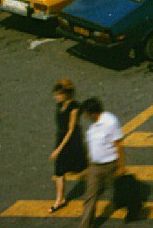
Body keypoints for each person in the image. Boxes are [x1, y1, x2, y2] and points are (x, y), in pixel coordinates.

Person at [78, 97, 124, 228]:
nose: (85, 117)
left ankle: (128, 202)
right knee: (90, 197)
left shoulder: (110, 122)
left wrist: (121, 166)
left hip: (110, 164)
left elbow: (118, 144)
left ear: (92, 113)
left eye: (86, 114)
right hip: (95, 166)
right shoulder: (93, 126)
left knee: (117, 187)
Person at [49, 79, 88, 214]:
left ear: (66, 94)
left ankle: (97, 179)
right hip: (61, 139)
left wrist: (58, 149)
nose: (56, 97)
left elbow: (71, 130)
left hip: (72, 142)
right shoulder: (60, 106)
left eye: (58, 94)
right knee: (59, 171)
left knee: (81, 168)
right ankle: (60, 199)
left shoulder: (75, 108)